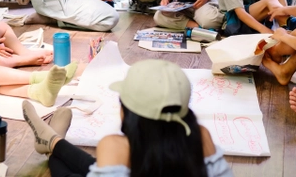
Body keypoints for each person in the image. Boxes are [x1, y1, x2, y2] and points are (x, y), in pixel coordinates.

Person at [22, 59, 233, 177]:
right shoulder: (200, 137)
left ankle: (52, 141)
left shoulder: (116, 146)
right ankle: (51, 140)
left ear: (128, 111)